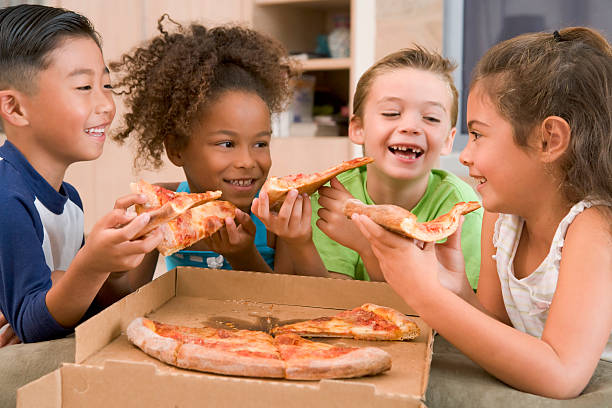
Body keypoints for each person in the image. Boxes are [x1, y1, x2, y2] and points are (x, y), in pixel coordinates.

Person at [352, 27, 612, 398]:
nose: (465, 156)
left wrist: (423, 293)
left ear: (548, 139)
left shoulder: (592, 227)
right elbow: (496, 335)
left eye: (477, 135)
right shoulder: (502, 218)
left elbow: (562, 375)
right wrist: (455, 288)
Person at [0, 4, 162, 345]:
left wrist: (115, 262)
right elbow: (34, 326)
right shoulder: (7, 197)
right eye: (84, 88)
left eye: (106, 85)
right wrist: (90, 266)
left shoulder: (69, 198)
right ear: (15, 108)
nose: (106, 104)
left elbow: (77, 303)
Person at [112, 16, 316, 275]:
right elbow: (126, 296)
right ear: (176, 149)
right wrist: (116, 258)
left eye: (260, 143)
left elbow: (290, 305)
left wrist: (244, 256)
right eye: (228, 144)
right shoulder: (164, 206)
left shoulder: (279, 214)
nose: (247, 161)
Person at [309, 47, 483, 285]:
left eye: (431, 118)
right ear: (358, 128)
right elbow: (336, 308)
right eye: (392, 113)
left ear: (448, 140)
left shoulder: (460, 210)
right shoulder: (333, 198)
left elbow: (450, 312)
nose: (410, 126)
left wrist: (367, 246)